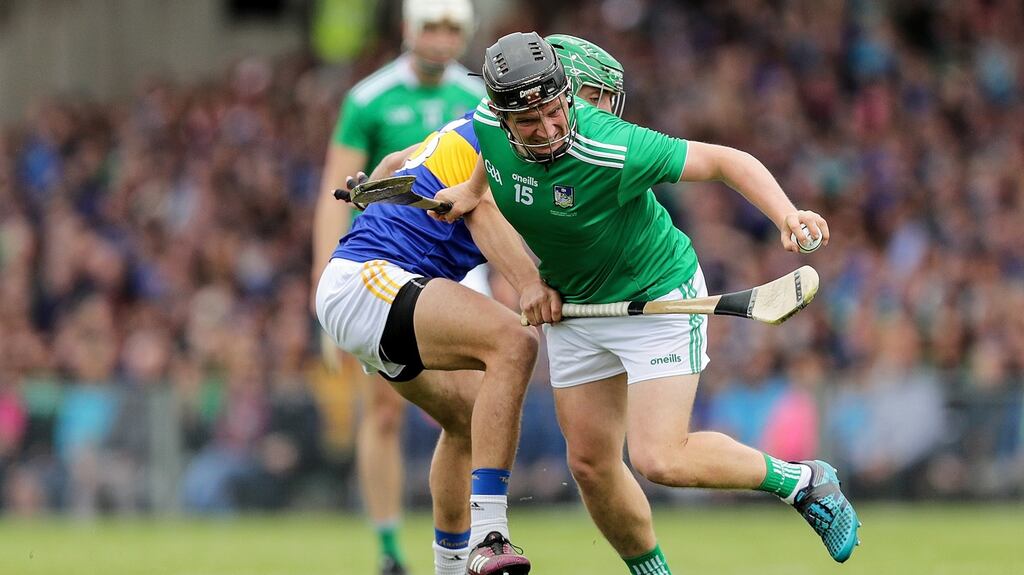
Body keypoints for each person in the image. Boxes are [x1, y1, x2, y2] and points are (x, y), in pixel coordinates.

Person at [433, 32, 862, 573]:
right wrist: (473, 192)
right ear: (502, 114)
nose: (547, 130)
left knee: (660, 457)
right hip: (580, 309)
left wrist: (786, 214)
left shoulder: (612, 144)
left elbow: (725, 160)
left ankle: (804, 481)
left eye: (554, 111)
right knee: (590, 464)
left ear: (565, 93)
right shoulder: (491, 122)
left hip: (655, 295)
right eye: (528, 122)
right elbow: (488, 153)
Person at [321, 34, 628, 575]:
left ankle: (448, 567)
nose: (603, 112)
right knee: (513, 343)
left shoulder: (485, 124)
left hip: (388, 290)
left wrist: (377, 187)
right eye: (597, 98)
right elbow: (479, 207)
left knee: (467, 422)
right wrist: (531, 286)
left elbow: (397, 156)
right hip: (370, 279)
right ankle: (491, 533)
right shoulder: (507, 139)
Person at [309, 2, 484, 573]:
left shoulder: (484, 94)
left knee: (473, 411)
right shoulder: (369, 98)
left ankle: (473, 538)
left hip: (461, 263)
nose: (440, 38)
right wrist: (324, 293)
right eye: (431, 26)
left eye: (452, 28)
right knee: (385, 412)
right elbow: (341, 193)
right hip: (387, 262)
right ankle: (389, 548)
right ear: (410, 29)